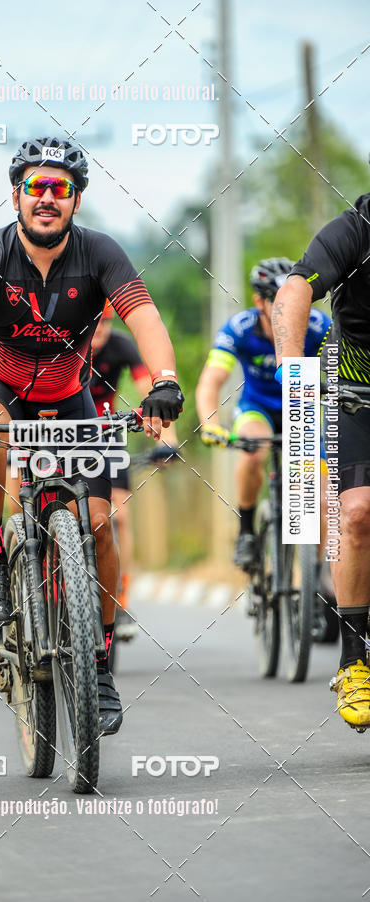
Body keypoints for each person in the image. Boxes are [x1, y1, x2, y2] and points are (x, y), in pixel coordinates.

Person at [0, 136, 184, 735]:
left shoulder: (100, 253)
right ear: (16, 195)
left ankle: (99, 663)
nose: (47, 197)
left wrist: (165, 380)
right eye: (35, 186)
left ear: (75, 200)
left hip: (66, 396)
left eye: (60, 188)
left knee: (100, 526)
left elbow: (144, 316)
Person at [272, 192, 370, 729]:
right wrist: (293, 372)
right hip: (352, 385)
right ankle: (354, 661)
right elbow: (294, 290)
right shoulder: (357, 227)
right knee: (354, 512)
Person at [196, 258, 330, 568]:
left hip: (302, 409)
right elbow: (210, 382)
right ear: (259, 302)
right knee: (253, 450)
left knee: (320, 497)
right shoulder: (240, 328)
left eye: (297, 299)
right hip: (257, 408)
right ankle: (246, 531)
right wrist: (210, 424)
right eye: (280, 301)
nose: (291, 308)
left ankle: (315, 576)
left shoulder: (318, 326)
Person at [89, 302, 178, 640]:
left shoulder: (121, 345)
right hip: (59, 429)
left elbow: (148, 389)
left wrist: (167, 439)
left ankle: (120, 598)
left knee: (120, 517)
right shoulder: (64, 341)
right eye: (94, 324)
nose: (99, 331)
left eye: (106, 324)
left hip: (106, 432)